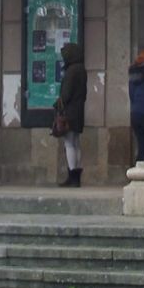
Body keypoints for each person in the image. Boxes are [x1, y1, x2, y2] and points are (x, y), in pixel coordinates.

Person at [56, 42, 87, 187]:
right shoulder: (81, 69)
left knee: (69, 143)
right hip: (79, 109)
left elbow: (66, 93)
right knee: (76, 142)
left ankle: (72, 174)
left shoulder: (71, 71)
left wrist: (59, 103)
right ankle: (76, 175)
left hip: (69, 111)